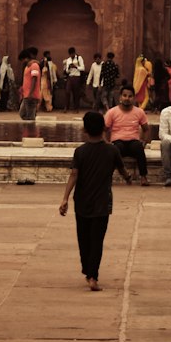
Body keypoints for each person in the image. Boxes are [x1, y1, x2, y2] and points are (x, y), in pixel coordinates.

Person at [59, 110, 132, 290]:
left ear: (85, 129)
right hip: (102, 202)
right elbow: (122, 170)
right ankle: (93, 276)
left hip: (82, 201)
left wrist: (65, 198)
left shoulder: (80, 152)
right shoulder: (112, 150)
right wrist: (129, 178)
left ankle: (88, 270)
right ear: (104, 128)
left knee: (83, 238)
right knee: (97, 240)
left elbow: (74, 174)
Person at [104, 84, 151, 184]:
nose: (127, 98)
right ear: (120, 97)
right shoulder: (112, 112)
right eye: (124, 96)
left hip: (133, 142)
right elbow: (104, 129)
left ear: (134, 98)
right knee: (114, 150)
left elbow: (146, 129)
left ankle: (143, 177)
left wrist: (144, 141)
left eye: (130, 96)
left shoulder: (139, 112)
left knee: (139, 147)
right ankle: (112, 177)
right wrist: (106, 143)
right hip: (118, 142)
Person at [19, 49, 42, 122]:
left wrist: (31, 93)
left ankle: (31, 131)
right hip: (26, 95)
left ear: (26, 58)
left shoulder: (34, 65)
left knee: (30, 116)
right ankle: (29, 130)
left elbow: (34, 79)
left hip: (31, 95)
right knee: (23, 113)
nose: (22, 62)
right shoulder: (27, 67)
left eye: (22, 60)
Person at [63, 47, 86, 111]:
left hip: (77, 77)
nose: (71, 55)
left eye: (72, 54)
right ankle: (66, 107)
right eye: (70, 54)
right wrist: (69, 68)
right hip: (70, 77)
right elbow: (67, 71)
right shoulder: (68, 60)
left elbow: (83, 68)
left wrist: (76, 67)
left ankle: (76, 108)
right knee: (67, 92)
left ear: (74, 53)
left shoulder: (79, 58)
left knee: (76, 93)